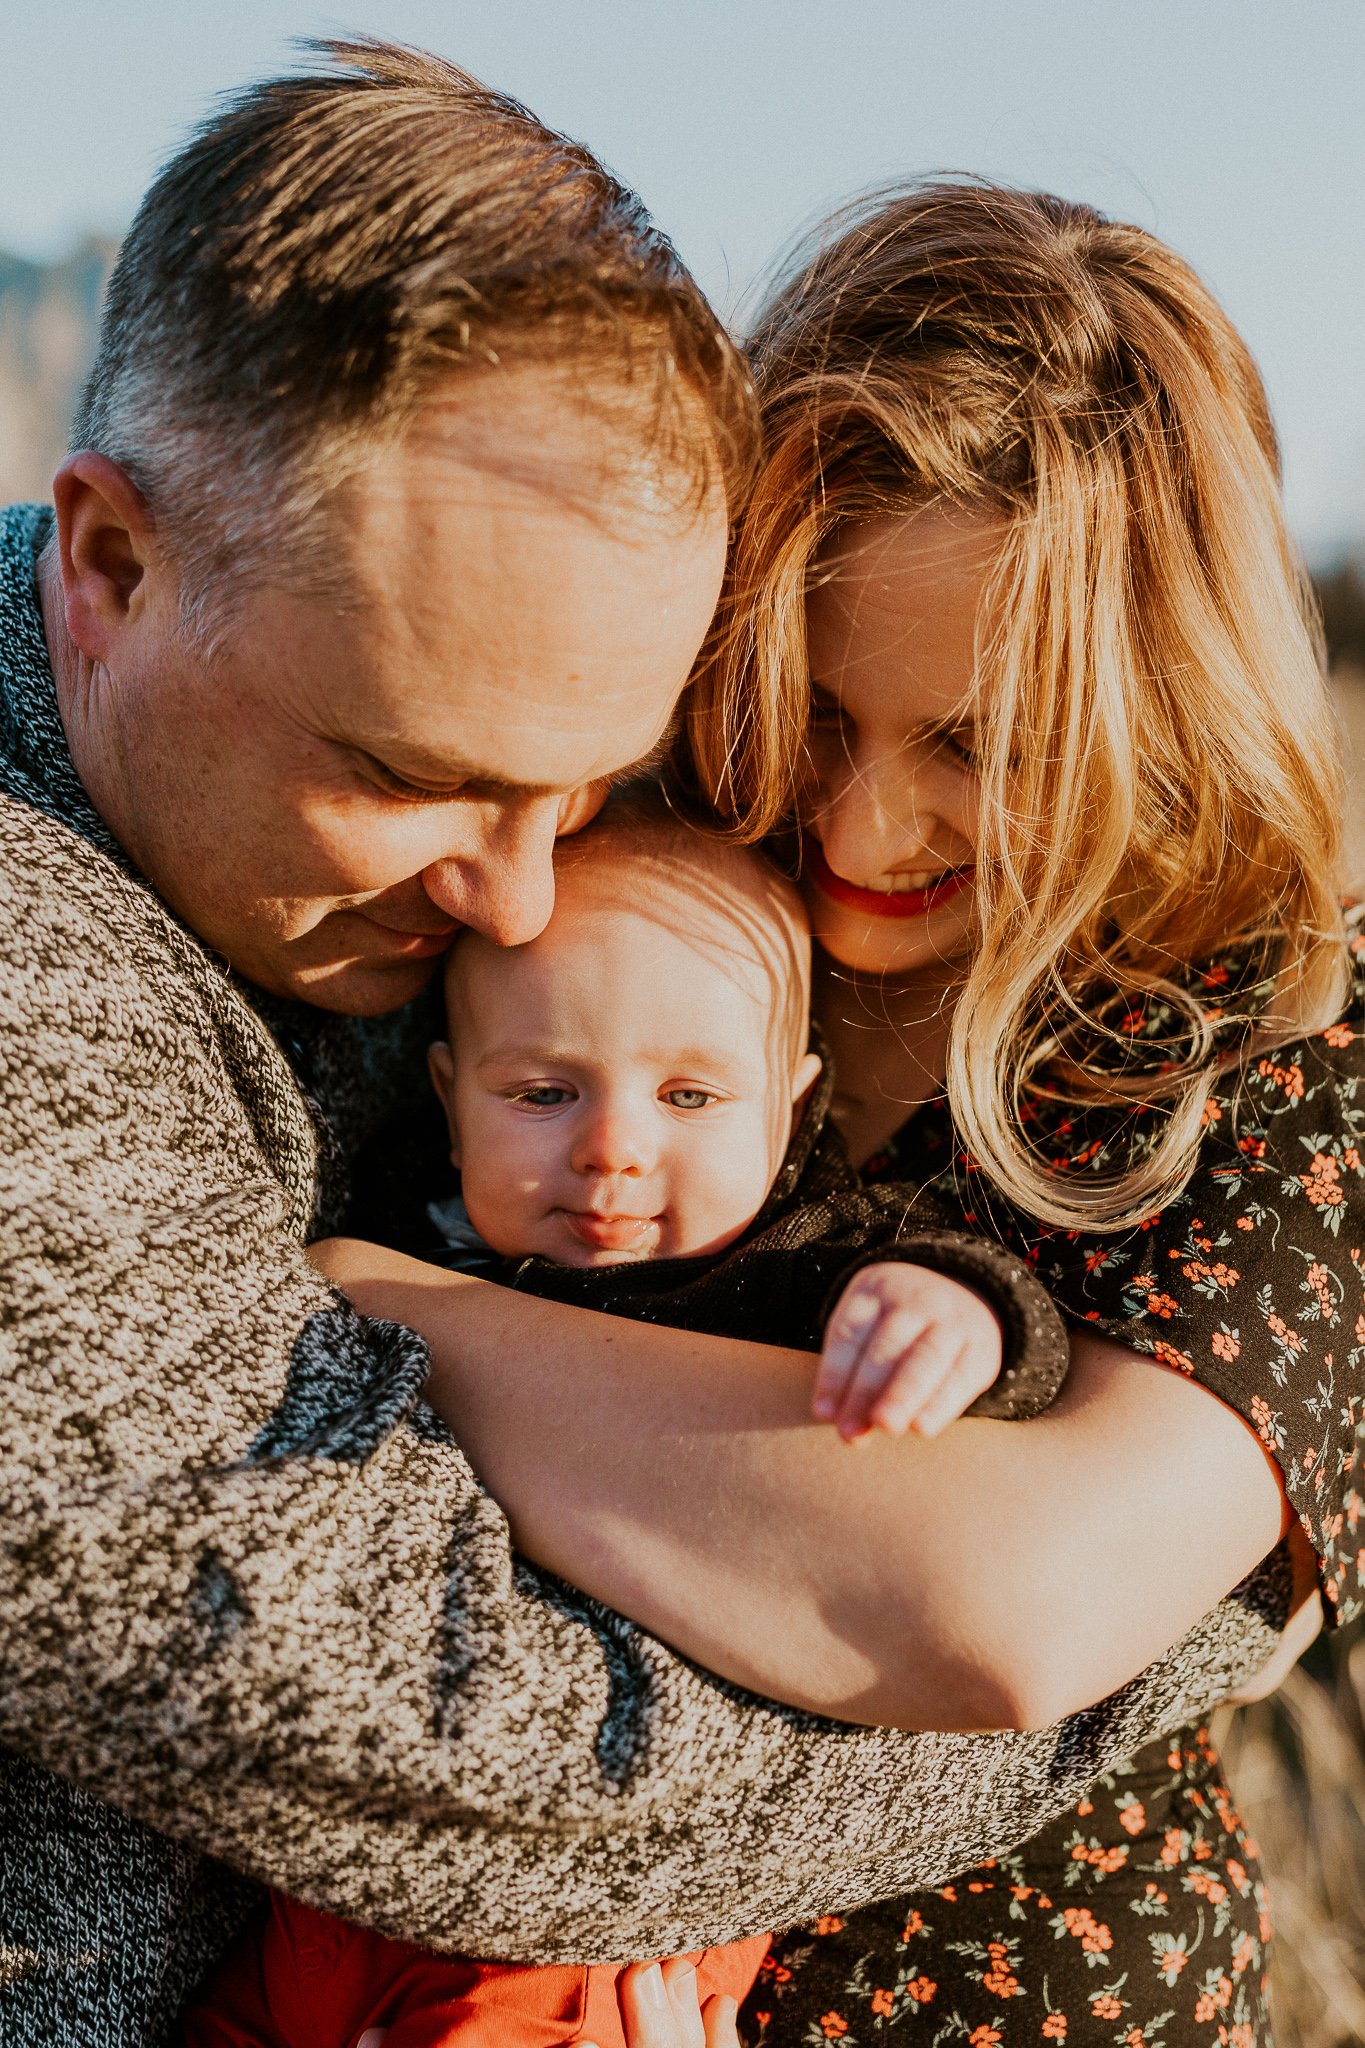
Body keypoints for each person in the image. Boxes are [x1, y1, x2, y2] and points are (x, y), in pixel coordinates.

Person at [314, 184, 1348, 2047]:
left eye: (981, 746)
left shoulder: (1268, 1049)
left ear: (1156, 703)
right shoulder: (599, 893)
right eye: (813, 703)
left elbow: (999, 1597)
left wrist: (369, 1311)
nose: (863, 833)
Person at [182, 795, 1072, 2047]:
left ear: (794, 1105)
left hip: (574, 1935)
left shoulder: (798, 1278)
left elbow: (1012, 1368)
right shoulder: (402, 1236)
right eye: (543, 1091)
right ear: (450, 1098)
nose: (612, 1149)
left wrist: (957, 1308)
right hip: (320, 1904)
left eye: (693, 1097)